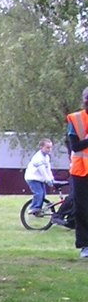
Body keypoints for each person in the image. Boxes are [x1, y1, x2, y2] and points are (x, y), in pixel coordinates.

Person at [66, 85, 88, 258]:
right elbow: (75, 146)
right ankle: (84, 245)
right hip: (80, 171)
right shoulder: (75, 119)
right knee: (81, 209)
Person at [24, 138, 55, 214]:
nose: (49, 149)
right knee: (39, 193)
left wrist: (52, 178)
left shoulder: (46, 157)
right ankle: (33, 208)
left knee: (43, 194)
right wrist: (48, 180)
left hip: (39, 179)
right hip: (32, 178)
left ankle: (38, 209)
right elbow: (43, 171)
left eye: (50, 148)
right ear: (41, 147)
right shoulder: (38, 158)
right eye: (47, 147)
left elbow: (48, 169)